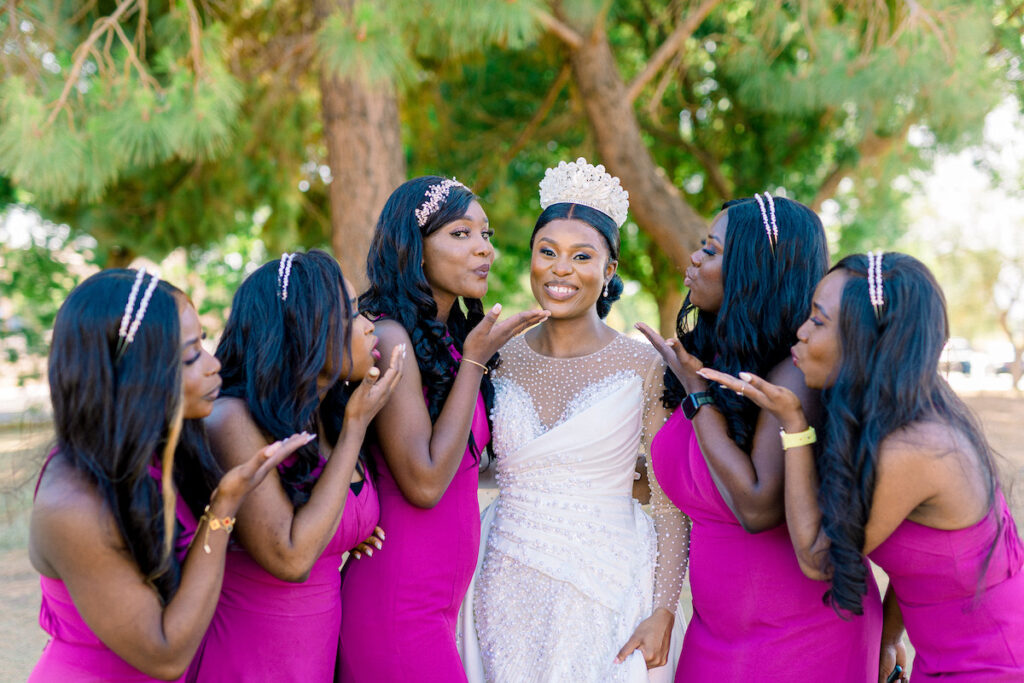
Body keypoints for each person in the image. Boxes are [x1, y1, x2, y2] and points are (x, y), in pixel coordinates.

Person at [701, 252, 1024, 682]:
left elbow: (819, 558)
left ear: (865, 338)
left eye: (818, 321)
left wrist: (794, 425)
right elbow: (926, 566)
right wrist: (891, 637)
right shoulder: (905, 408)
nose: (800, 332)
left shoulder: (916, 446)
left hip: (991, 664)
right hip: (948, 658)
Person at [460, 158, 689, 682]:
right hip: (502, 577)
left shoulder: (643, 367)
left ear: (608, 272)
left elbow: (669, 501)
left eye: (582, 256)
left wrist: (664, 609)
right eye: (548, 252)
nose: (561, 269)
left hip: (609, 582)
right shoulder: (499, 356)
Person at [636, 194, 882, 682]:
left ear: (754, 270)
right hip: (714, 632)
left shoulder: (794, 375)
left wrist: (698, 396)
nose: (694, 258)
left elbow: (755, 507)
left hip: (802, 633)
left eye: (712, 249)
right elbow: (673, 492)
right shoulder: (706, 359)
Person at [29, 269, 307, 682]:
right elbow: (165, 655)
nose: (214, 365)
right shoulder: (73, 505)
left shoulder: (163, 451)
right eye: (192, 354)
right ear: (137, 374)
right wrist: (224, 507)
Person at [338, 176, 546, 681]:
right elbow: (425, 482)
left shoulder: (450, 345)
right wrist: (476, 361)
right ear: (414, 250)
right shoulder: (390, 336)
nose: (484, 249)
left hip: (438, 606)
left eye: (486, 234)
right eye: (460, 234)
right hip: (396, 603)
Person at [188, 250, 402, 681]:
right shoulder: (232, 419)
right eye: (349, 315)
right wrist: (357, 427)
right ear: (301, 329)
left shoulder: (323, 414)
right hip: (246, 656)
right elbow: (291, 557)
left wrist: (338, 533)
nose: (367, 326)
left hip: (313, 658)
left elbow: (319, 525)